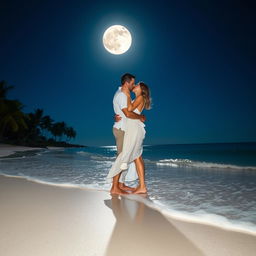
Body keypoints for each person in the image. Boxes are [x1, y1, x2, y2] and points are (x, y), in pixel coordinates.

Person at [107, 76, 151, 194]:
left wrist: (127, 95)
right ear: (127, 83)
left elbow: (129, 109)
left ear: (141, 90)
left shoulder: (138, 97)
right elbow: (126, 112)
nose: (135, 85)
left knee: (132, 156)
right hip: (130, 128)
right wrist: (117, 115)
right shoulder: (127, 95)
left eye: (137, 85)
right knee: (135, 156)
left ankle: (139, 186)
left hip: (134, 129)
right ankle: (137, 186)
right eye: (134, 83)